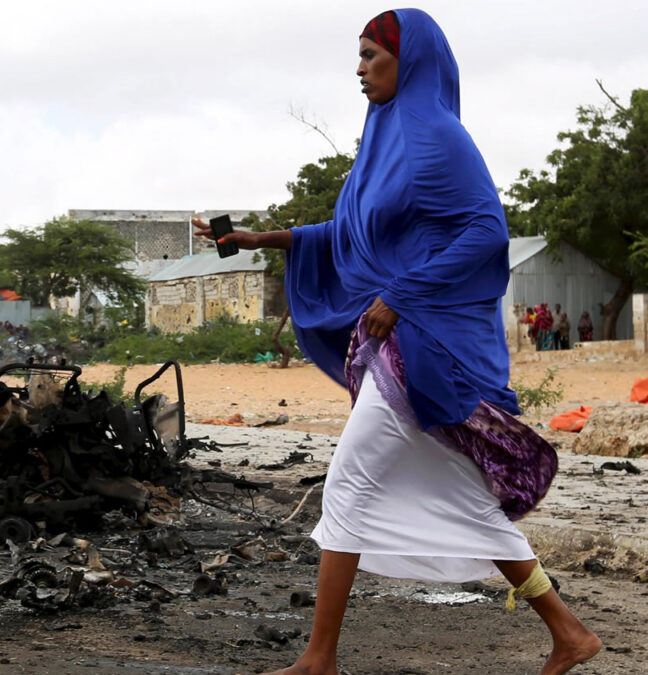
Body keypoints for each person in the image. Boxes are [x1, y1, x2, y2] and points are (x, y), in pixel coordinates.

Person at [193, 10, 598, 674]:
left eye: (371, 56)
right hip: (400, 344)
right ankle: (570, 632)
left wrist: (399, 293)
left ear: (407, 63)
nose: (359, 69)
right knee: (464, 494)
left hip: (425, 342)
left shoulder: (433, 132)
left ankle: (319, 659)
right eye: (358, 57)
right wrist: (261, 240)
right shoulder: (385, 132)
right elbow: (356, 227)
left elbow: (485, 232)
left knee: (347, 484)